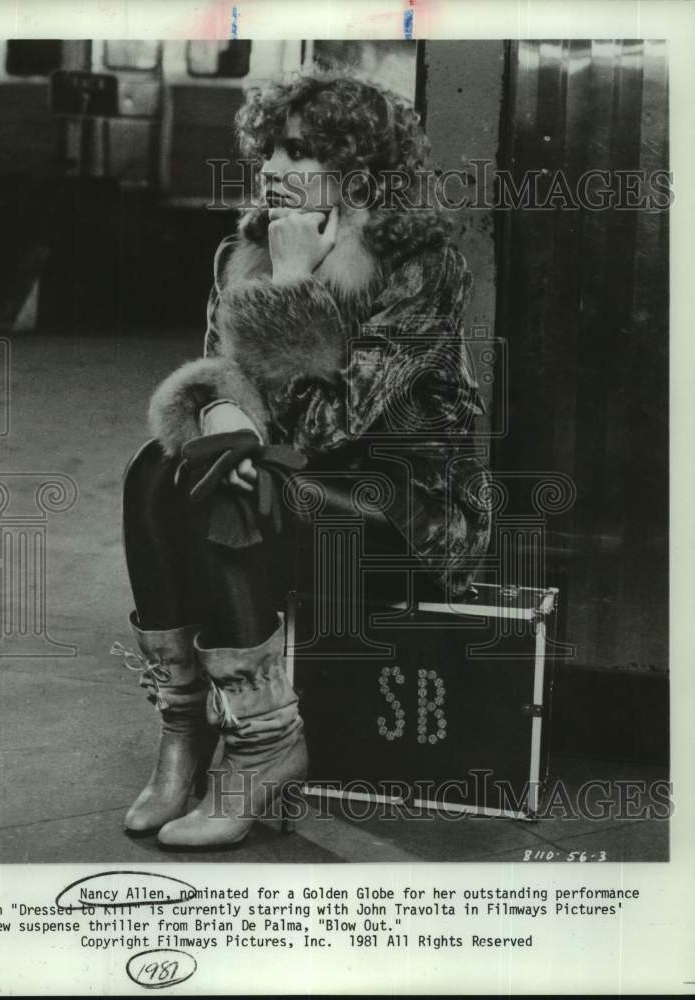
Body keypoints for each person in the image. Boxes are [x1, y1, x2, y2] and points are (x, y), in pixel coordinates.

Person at [116, 72, 492, 851]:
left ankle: (263, 745)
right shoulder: (244, 250)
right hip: (294, 480)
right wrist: (222, 417)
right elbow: (221, 387)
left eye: (300, 152)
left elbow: (330, 423)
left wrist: (290, 286)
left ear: (357, 168)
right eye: (269, 150)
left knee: (235, 487)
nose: (272, 169)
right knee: (156, 469)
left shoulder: (421, 265)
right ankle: (186, 727)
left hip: (406, 512)